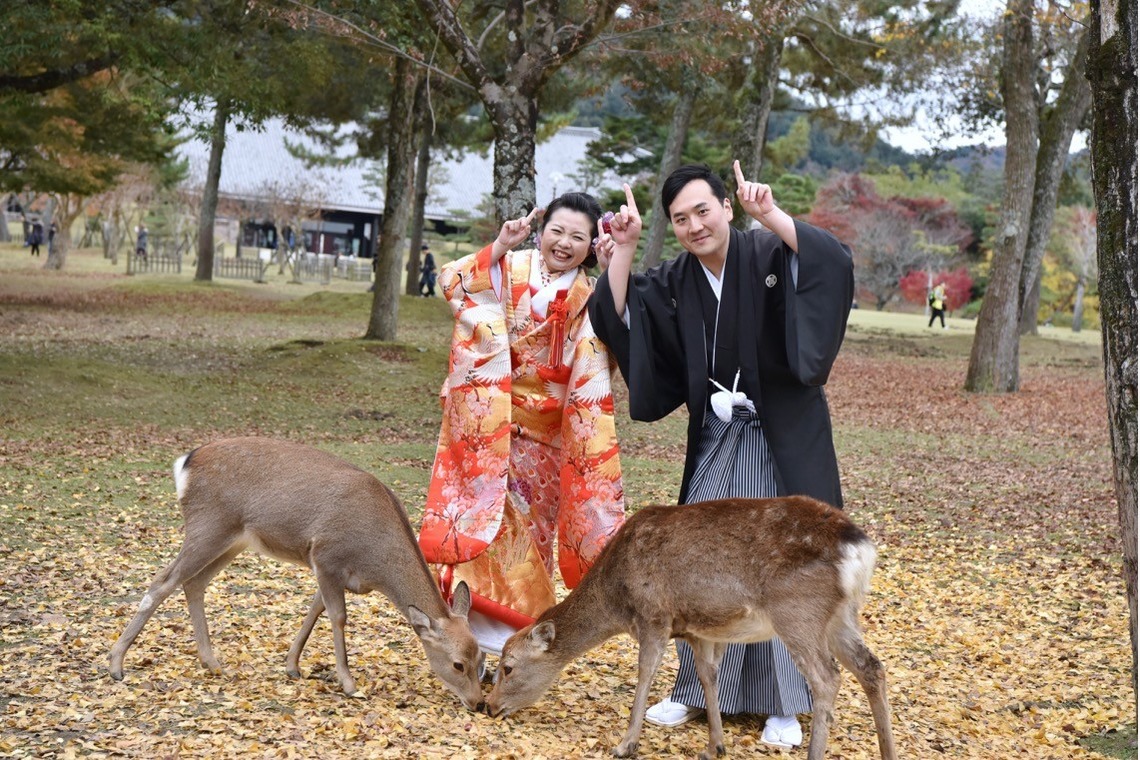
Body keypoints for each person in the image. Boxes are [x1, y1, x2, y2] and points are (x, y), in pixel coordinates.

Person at [587, 163, 854, 750]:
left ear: (726, 208)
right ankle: (695, 689)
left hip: (775, 437)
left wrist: (775, 217)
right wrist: (623, 253)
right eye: (679, 219)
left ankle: (785, 702)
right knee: (696, 563)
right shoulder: (676, 280)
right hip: (716, 437)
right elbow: (618, 318)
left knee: (780, 565)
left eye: (702, 211)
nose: (693, 226)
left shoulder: (767, 253)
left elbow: (830, 263)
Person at [418, 191, 625, 662]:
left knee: (529, 538)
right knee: (479, 528)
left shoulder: (589, 296)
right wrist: (498, 246)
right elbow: (454, 283)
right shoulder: (508, 268)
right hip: (488, 424)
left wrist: (616, 272)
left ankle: (510, 648)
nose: (564, 243)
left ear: (592, 245)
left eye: (578, 236)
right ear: (541, 229)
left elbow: (596, 359)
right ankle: (465, 640)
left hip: (545, 438)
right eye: (557, 231)